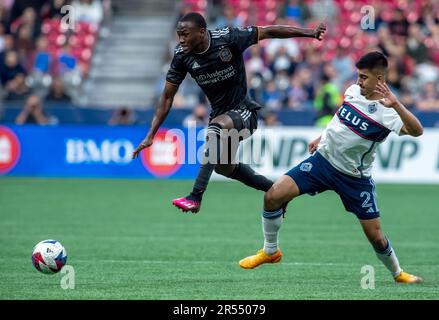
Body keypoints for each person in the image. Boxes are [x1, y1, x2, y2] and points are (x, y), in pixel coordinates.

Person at [239, 51, 424, 284]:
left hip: (354, 178)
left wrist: (396, 104)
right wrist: (323, 136)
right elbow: (340, 117)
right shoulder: (353, 91)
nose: (359, 81)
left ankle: (398, 273)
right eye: (358, 75)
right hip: (323, 162)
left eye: (364, 77)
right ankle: (270, 251)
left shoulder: (388, 111)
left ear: (380, 79)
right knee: (273, 195)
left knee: (375, 236)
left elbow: (417, 131)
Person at [132, 12, 326, 213]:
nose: (181, 39)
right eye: (179, 34)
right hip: (221, 115)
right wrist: (150, 135)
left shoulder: (228, 38)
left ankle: (195, 196)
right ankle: (276, 192)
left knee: (215, 127)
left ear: (201, 32)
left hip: (245, 113)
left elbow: (268, 31)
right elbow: (167, 97)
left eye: (185, 34)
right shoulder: (182, 55)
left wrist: (310, 33)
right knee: (223, 167)